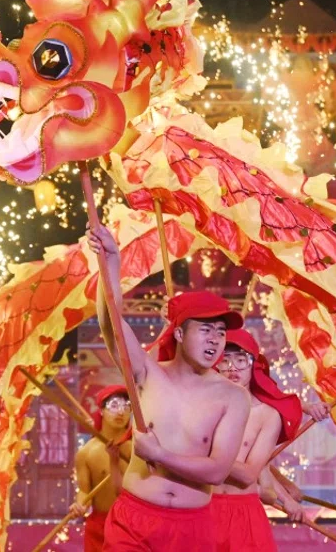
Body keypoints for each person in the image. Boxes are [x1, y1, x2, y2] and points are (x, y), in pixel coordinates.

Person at [87, 222, 251, 551]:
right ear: (178, 334)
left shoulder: (233, 397)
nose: (216, 339)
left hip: (192, 529)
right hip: (133, 520)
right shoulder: (148, 372)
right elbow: (111, 325)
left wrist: (159, 455)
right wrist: (111, 263)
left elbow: (217, 470)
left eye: (220, 331)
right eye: (205, 330)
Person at [210, 328, 307, 551]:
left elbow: (253, 471)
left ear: (254, 364)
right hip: (202, 506)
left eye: (241, 359)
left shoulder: (267, 415)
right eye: (225, 360)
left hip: (243, 512)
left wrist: (202, 451)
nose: (232, 367)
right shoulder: (202, 406)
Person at [68, 385, 134, 552]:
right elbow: (85, 490)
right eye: (114, 405)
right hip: (100, 528)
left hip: (132, 526)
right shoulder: (86, 453)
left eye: (127, 406)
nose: (121, 412)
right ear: (102, 411)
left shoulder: (139, 449)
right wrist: (79, 505)